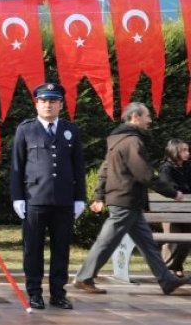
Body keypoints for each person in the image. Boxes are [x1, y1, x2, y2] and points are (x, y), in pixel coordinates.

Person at [74, 103, 191, 296]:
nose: (150, 120)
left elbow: (104, 169)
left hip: (130, 202)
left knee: (147, 244)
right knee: (107, 241)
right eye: (147, 116)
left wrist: (100, 195)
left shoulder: (118, 140)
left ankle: (167, 280)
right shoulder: (132, 142)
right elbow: (144, 173)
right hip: (125, 200)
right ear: (136, 117)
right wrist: (173, 193)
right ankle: (84, 277)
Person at [9, 82, 86, 310]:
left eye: (53, 101)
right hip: (35, 198)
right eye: (43, 101)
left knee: (61, 249)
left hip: (63, 199)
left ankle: (58, 293)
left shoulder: (71, 130)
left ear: (61, 104)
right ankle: (34, 292)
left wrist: (79, 197)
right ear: (37, 103)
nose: (48, 105)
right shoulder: (26, 129)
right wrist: (17, 197)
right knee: (33, 250)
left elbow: (78, 167)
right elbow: (16, 165)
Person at [157, 139, 191, 278]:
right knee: (173, 242)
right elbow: (169, 187)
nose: (188, 153)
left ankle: (177, 266)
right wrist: (184, 191)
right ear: (174, 151)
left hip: (188, 210)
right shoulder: (166, 168)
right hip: (171, 210)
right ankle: (167, 269)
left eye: (188, 150)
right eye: (184, 150)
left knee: (185, 243)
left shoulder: (189, 167)